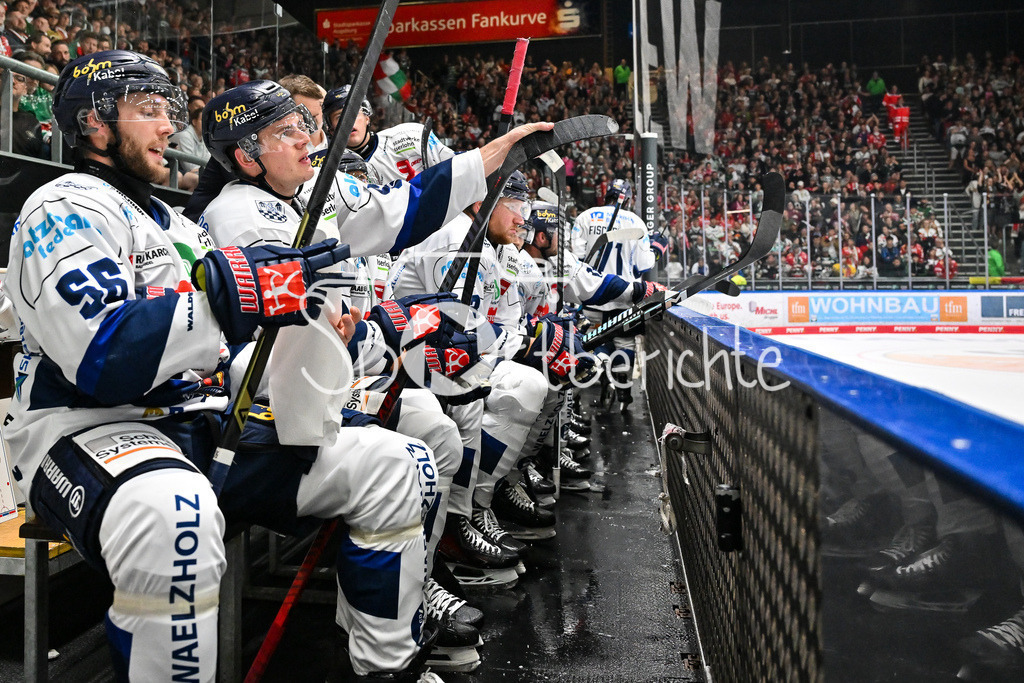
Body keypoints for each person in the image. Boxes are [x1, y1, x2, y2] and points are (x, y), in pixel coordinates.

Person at [3, 50, 352, 682]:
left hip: (190, 420)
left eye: (169, 109)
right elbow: (103, 354)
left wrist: (312, 349)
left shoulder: (175, 225)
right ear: (93, 123)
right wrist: (224, 300)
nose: (169, 125)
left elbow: (228, 350)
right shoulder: (63, 205)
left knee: (389, 461)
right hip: (83, 429)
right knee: (176, 519)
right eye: (148, 109)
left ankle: (390, 666)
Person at [198, 79, 522, 674]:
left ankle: (411, 589)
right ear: (246, 156)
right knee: (413, 451)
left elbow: (391, 220)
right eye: (288, 131)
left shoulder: (301, 197)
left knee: (438, 434)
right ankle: (383, 626)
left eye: (306, 125)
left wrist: (486, 159)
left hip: (334, 377)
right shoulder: (239, 212)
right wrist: (389, 335)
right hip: (276, 396)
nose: (309, 139)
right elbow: (296, 336)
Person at [571, 178, 654, 412]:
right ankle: (622, 385)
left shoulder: (585, 217)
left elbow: (576, 258)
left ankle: (599, 368)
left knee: (590, 342)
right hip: (624, 297)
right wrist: (656, 249)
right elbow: (642, 265)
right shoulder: (636, 222)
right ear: (628, 200)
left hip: (591, 296)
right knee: (624, 343)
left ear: (606, 195)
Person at [322, 83, 455, 183]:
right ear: (331, 129)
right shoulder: (329, 170)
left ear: (367, 118)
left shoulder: (411, 135)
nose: (349, 122)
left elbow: (454, 170)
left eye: (354, 113)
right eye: (339, 117)